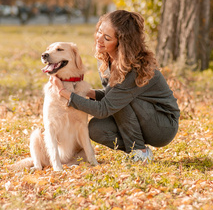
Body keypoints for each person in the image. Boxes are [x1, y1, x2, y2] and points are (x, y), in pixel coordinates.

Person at [50, 10, 180, 162]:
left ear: (121, 43)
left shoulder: (133, 68)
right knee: (96, 129)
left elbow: (105, 108)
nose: (99, 39)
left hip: (162, 125)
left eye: (107, 38)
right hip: (138, 115)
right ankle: (138, 149)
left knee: (119, 101)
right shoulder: (106, 59)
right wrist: (87, 92)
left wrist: (64, 92)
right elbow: (110, 95)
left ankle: (139, 152)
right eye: (99, 31)